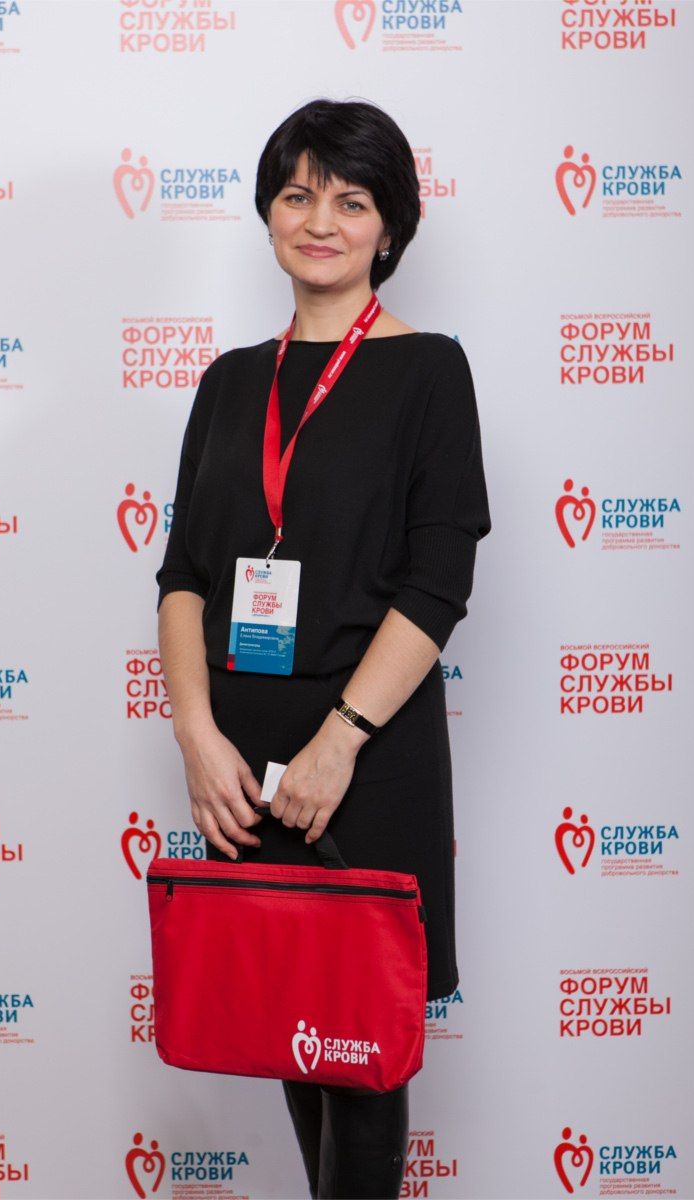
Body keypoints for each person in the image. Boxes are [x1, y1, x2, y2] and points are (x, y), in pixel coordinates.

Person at [155, 97, 492, 1200]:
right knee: (285, 1030)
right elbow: (183, 578)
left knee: (361, 1049)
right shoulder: (227, 382)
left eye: (351, 201)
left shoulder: (428, 372)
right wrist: (197, 738)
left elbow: (437, 583)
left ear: (388, 228)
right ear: (268, 214)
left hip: (367, 762)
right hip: (239, 773)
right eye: (298, 195)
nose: (320, 221)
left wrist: (340, 739)